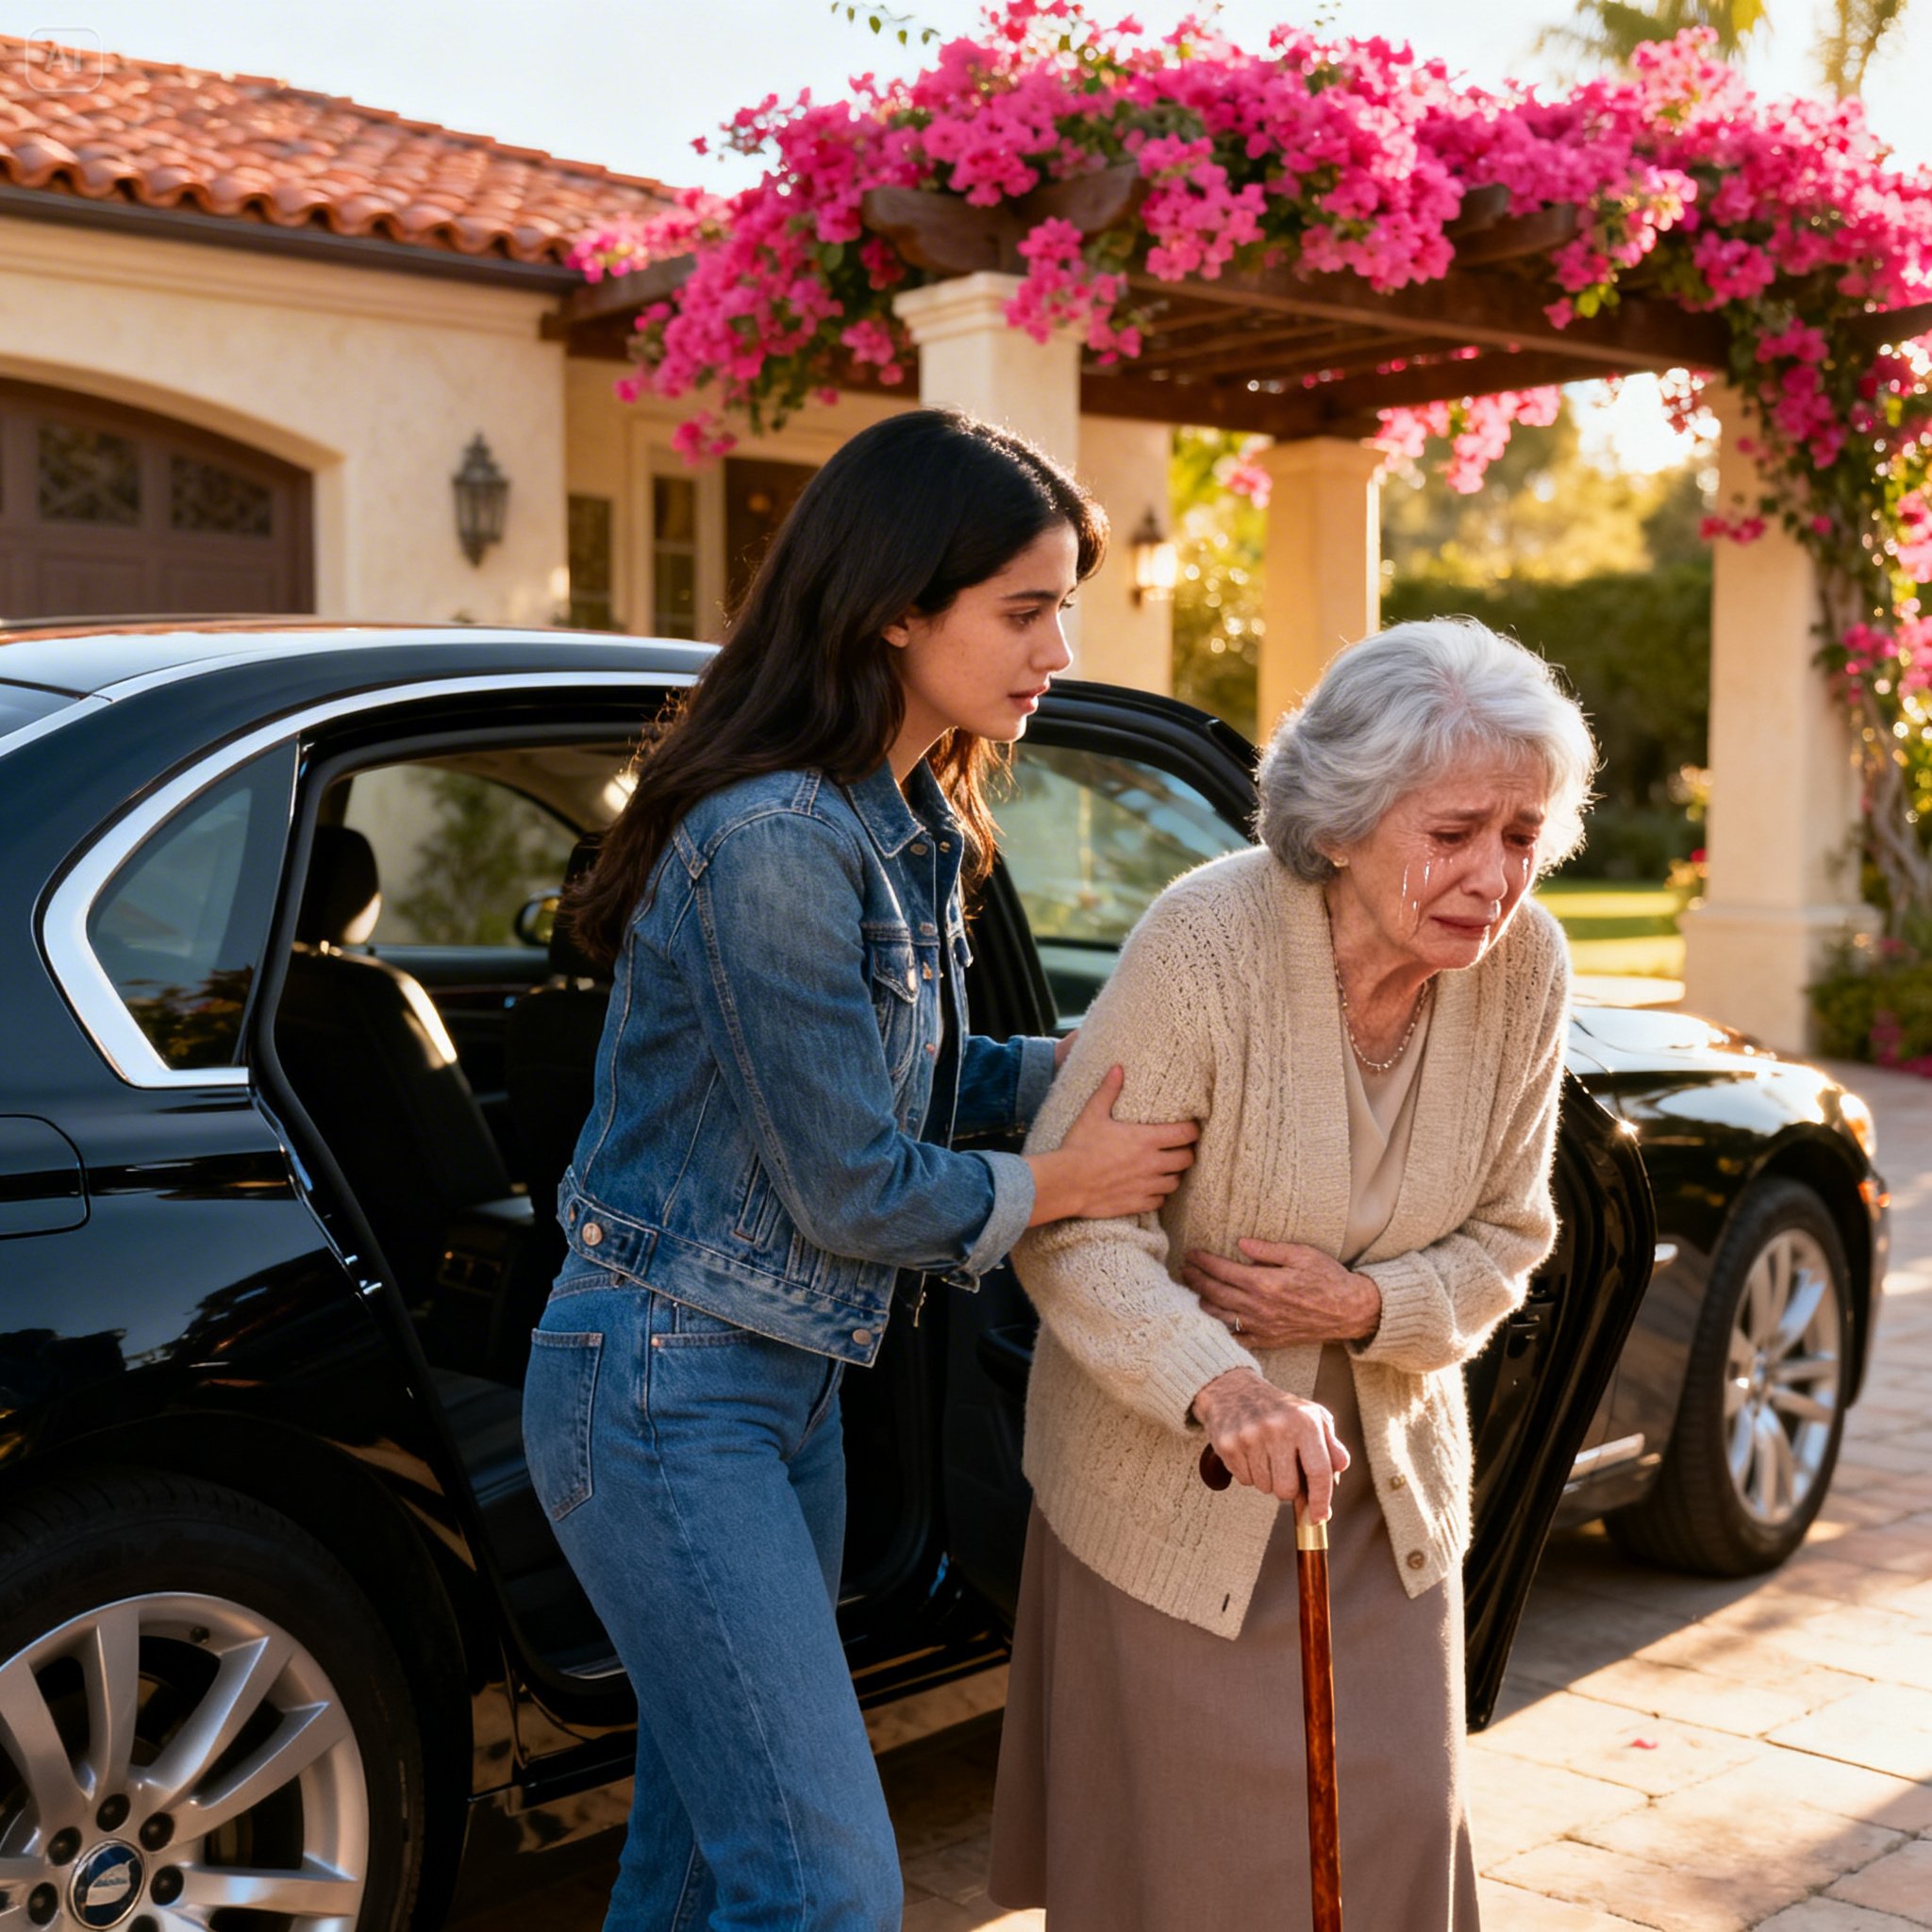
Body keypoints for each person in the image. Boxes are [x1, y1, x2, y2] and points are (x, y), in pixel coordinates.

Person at [520, 408, 1199, 1932]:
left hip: (779, 1392)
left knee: (700, 1859)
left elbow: (929, 1082)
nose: (1060, 649)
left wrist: (1144, 1062)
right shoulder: (771, 841)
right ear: (898, 603)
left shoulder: (900, 824)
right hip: (664, 1391)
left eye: (1065, 609)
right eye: (1024, 611)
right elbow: (853, 1185)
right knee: (824, 1888)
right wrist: (1072, 1185)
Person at [989, 617, 1597, 1931]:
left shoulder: (1526, 971)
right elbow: (1076, 1229)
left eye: (1522, 835)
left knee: (1390, 1834)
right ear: (1340, 824)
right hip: (1173, 1489)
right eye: (1454, 834)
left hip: (1382, 1494)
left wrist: (1368, 1307)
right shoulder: (1208, 945)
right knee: (1200, 1873)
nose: (1495, 878)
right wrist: (1226, 1389)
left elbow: (1511, 1234)